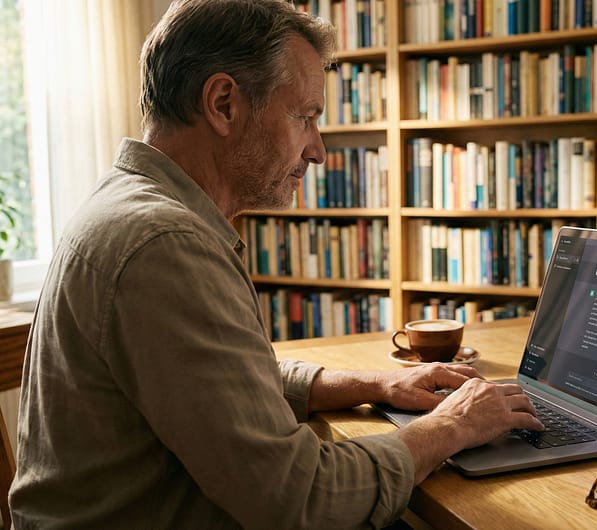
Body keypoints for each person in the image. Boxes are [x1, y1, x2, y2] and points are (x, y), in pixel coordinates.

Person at [9, 0, 543, 527]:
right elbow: (302, 499)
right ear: (223, 103)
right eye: (306, 117)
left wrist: (377, 385)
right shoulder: (165, 243)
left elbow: (227, 381)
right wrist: (449, 426)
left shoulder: (134, 205)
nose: (319, 151)